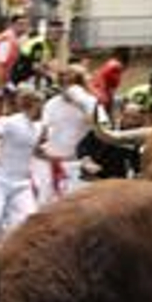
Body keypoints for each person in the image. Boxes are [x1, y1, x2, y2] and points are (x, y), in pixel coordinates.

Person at [0, 87, 43, 245]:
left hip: (22, 184)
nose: (43, 109)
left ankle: (7, 252)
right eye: (40, 105)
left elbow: (36, 151)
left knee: (28, 221)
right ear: (31, 105)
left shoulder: (38, 127)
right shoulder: (11, 122)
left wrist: (66, 157)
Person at [37, 65, 99, 202]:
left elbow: (98, 129)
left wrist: (81, 104)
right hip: (53, 164)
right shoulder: (51, 104)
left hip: (79, 164)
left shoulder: (90, 102)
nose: (67, 89)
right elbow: (43, 133)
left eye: (71, 85)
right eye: (63, 85)